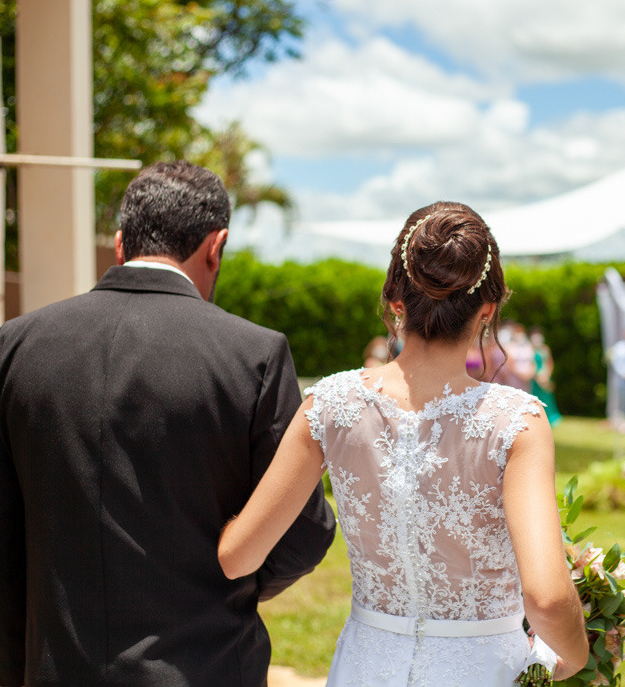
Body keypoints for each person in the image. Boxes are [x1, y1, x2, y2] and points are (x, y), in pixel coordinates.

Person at [0, 161, 337, 686]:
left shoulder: (19, 344)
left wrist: (12, 673)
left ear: (121, 243)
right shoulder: (254, 354)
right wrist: (227, 586)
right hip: (203, 666)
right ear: (217, 245)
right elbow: (303, 532)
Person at [218, 202, 588, 685]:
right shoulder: (517, 420)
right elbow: (547, 597)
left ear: (395, 302)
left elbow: (238, 557)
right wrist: (576, 653)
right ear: (487, 312)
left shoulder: (329, 405)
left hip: (366, 667)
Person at [529, 326, 563, 426]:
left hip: (545, 375)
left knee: (547, 398)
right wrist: (536, 375)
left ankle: (551, 417)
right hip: (534, 377)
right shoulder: (530, 349)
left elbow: (550, 363)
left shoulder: (545, 348)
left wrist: (547, 375)